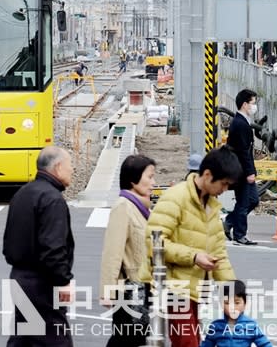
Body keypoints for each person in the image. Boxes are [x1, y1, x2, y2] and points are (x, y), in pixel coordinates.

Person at [141, 146, 241, 347]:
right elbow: (154, 241)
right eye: (224, 183)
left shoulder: (211, 206)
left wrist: (233, 291)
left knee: (192, 341)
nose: (225, 190)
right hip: (173, 287)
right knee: (188, 342)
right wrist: (194, 256)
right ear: (207, 175)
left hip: (194, 289)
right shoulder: (175, 198)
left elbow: (219, 252)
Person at [3, 146, 75, 347]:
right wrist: (64, 280)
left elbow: (8, 241)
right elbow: (53, 248)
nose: (72, 170)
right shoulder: (52, 199)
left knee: (23, 339)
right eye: (70, 166)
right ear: (58, 167)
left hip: (19, 277)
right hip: (42, 283)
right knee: (56, 340)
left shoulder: (23, 193)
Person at [99, 154, 156, 347]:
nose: (153, 182)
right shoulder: (123, 207)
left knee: (135, 338)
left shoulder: (141, 207)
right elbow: (112, 253)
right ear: (133, 179)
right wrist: (107, 290)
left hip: (144, 288)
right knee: (126, 339)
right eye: (149, 177)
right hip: (129, 290)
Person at [223, 89, 260, 245]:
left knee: (253, 200)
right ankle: (240, 235)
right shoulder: (240, 124)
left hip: (243, 168)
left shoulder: (242, 121)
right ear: (245, 104)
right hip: (241, 170)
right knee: (244, 202)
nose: (254, 106)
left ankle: (229, 222)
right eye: (252, 103)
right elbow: (244, 151)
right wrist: (250, 172)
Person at [200, 279, 273, 347]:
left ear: (245, 303)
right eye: (227, 303)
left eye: (237, 303)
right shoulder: (216, 326)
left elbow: (265, 344)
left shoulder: (251, 325)